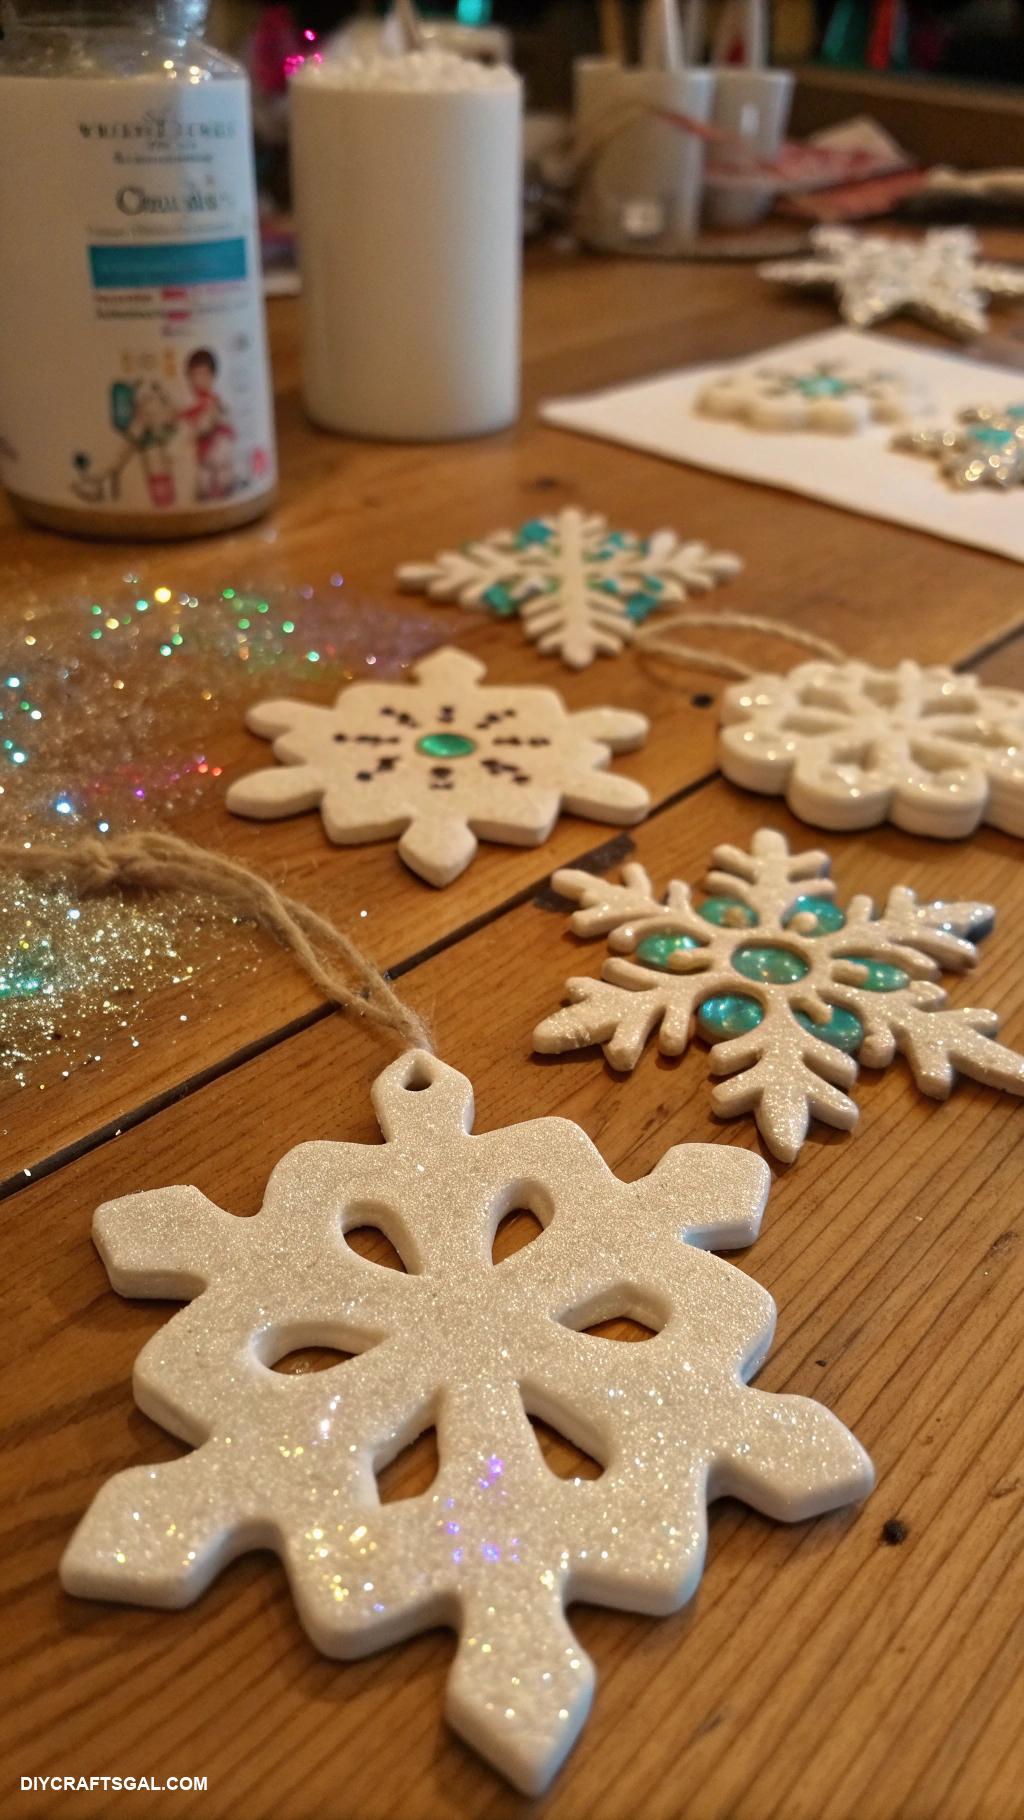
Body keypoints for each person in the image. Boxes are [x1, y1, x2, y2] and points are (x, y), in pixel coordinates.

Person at [179, 348, 238, 500]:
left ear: (212, 376)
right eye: (195, 375)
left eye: (203, 374)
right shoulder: (191, 402)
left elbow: (211, 422)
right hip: (204, 454)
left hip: (219, 448)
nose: (199, 380)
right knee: (203, 481)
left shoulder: (215, 401)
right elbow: (187, 419)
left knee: (222, 475)